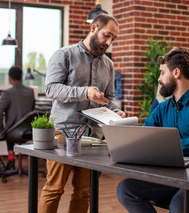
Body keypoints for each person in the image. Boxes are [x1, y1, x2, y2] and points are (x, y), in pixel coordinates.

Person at [116, 47, 189, 213]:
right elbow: (144, 137)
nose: (159, 79)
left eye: (161, 73)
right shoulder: (162, 108)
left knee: (179, 205)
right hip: (176, 173)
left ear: (176, 73)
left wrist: (165, 147)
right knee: (126, 189)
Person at [39, 14, 126, 213]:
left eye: (113, 38)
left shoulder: (109, 65)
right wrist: (84, 92)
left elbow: (109, 98)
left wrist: (116, 112)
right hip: (64, 133)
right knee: (54, 189)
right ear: (94, 28)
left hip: (92, 137)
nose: (109, 42)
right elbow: (51, 89)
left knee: (84, 192)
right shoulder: (64, 54)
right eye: (107, 35)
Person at [0, 66, 35, 172]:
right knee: (10, 127)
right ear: (21, 77)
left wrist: (0, 131)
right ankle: (11, 162)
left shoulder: (8, 93)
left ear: (10, 78)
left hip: (13, 132)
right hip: (27, 132)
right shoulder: (30, 91)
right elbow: (32, 112)